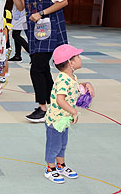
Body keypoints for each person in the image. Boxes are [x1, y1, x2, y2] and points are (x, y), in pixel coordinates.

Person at [11, 0, 69, 122]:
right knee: (43, 69)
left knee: (37, 69)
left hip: (50, 28)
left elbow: (63, 2)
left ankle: (42, 108)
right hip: (36, 31)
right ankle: (57, 105)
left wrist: (41, 13)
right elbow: (21, 7)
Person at [44, 44, 94, 183]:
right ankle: (50, 168)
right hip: (55, 120)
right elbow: (60, 100)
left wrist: (86, 85)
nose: (80, 58)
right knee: (53, 145)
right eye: (77, 56)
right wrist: (73, 112)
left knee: (62, 144)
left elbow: (75, 89)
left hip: (64, 119)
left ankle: (61, 165)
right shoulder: (62, 80)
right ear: (70, 62)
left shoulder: (71, 77)